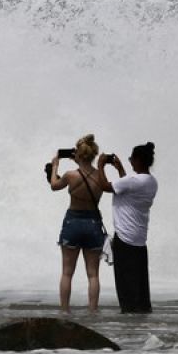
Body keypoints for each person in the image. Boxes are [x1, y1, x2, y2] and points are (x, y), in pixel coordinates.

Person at [49, 133, 111, 313]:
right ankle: (93, 310)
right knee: (93, 274)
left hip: (73, 222)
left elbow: (54, 186)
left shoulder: (70, 175)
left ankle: (65, 311)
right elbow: (101, 182)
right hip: (93, 223)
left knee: (67, 272)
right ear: (93, 155)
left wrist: (54, 167)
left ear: (78, 155)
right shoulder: (100, 177)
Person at [105, 142, 158, 313]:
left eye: (131, 159)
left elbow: (104, 186)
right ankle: (142, 318)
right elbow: (126, 187)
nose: (130, 162)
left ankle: (130, 321)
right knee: (140, 285)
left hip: (124, 237)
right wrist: (120, 169)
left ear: (138, 160)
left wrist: (99, 166)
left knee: (125, 286)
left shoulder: (133, 181)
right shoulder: (151, 181)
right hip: (140, 240)